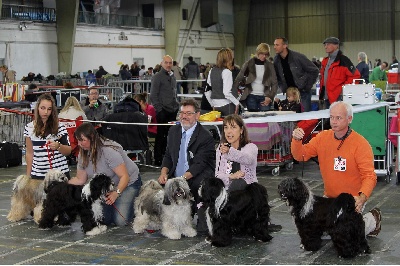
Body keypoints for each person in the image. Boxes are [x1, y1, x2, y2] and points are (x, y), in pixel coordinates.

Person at [291, 101, 381, 237]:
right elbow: (300, 156)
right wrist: (296, 140)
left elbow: (369, 176)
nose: (333, 121)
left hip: (351, 200)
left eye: (338, 118)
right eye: (331, 117)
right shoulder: (322, 137)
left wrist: (361, 198)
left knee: (345, 233)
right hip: (329, 198)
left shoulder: (361, 144)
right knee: (314, 227)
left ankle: (373, 219)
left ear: (349, 119)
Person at [157, 98, 215, 234]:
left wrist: (180, 181)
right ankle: (168, 220)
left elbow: (199, 164)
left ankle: (196, 213)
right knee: (161, 189)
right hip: (177, 178)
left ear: (197, 115)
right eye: (182, 113)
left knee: (202, 230)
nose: (184, 116)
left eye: (189, 113)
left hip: (196, 177)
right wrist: (163, 173)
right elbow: (167, 156)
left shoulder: (205, 137)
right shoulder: (173, 131)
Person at [68, 122, 142, 226]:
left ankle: (136, 204)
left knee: (120, 221)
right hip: (107, 187)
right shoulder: (82, 153)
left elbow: (125, 176)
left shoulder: (109, 150)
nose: (79, 144)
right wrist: (63, 184)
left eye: (82, 140)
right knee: (103, 219)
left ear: (92, 137)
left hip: (128, 182)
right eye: (78, 140)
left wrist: (116, 193)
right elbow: (80, 179)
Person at [24, 93, 71, 179]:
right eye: (43, 108)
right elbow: (30, 153)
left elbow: (68, 151)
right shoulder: (29, 127)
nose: (46, 112)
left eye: (49, 109)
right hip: (38, 176)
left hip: (58, 176)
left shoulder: (60, 127)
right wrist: (28, 176)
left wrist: (58, 146)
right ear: (37, 108)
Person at [273, 37, 319, 112]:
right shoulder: (276, 60)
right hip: (289, 94)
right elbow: (277, 77)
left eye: (277, 45)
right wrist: (283, 88)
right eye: (274, 45)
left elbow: (314, 70)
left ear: (285, 45)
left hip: (303, 93)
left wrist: (307, 86)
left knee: (305, 118)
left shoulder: (298, 57)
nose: (274, 47)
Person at [150, 55, 179, 166]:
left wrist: (176, 105)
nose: (168, 65)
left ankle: (168, 158)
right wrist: (159, 109)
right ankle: (158, 158)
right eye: (166, 62)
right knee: (161, 135)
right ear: (162, 63)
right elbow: (153, 95)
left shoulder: (173, 76)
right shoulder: (157, 77)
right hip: (163, 111)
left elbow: (174, 93)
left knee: (171, 136)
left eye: (170, 63)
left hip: (173, 110)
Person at [215, 114, 257, 191]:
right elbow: (218, 175)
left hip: (247, 190)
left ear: (241, 130)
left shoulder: (251, 147)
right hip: (226, 189)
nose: (228, 131)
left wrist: (229, 151)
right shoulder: (221, 148)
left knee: (238, 183)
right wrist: (231, 176)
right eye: (226, 127)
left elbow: (248, 159)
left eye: (233, 127)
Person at [233, 43, 278, 112]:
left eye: (266, 54)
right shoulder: (248, 64)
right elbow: (238, 79)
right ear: (258, 52)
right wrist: (234, 95)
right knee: (252, 119)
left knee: (265, 119)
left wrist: (270, 97)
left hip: (265, 97)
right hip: (251, 96)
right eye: (262, 54)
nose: (264, 56)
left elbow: (275, 83)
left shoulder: (270, 66)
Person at [319, 37, 360, 109]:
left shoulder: (344, 60)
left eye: (328, 44)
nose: (325, 47)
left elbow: (355, 76)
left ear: (336, 45)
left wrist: (343, 89)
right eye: (325, 45)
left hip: (338, 97)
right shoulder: (325, 61)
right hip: (326, 97)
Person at [205, 48, 239, 116]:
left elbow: (207, 90)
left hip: (216, 105)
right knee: (231, 125)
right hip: (227, 105)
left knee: (220, 126)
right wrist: (237, 103)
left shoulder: (212, 70)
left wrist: (212, 104)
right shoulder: (227, 72)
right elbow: (226, 93)